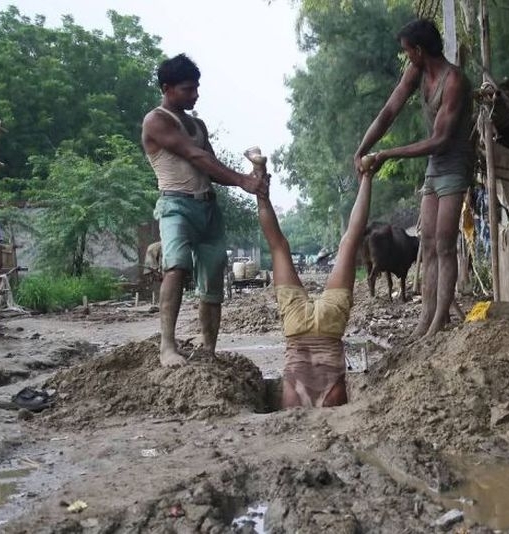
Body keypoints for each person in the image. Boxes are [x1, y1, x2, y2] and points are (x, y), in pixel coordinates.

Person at [141, 54, 268, 367]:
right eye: (187, 89)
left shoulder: (197, 124)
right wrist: (243, 181)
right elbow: (194, 156)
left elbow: (210, 168)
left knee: (212, 274)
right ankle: (167, 347)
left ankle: (208, 346)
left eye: (196, 88)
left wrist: (249, 179)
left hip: (207, 206)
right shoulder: (156, 121)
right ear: (167, 88)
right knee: (176, 266)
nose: (195, 94)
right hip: (175, 205)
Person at [354, 19, 474, 339]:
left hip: (454, 163)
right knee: (430, 244)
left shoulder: (454, 81)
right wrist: (363, 149)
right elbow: (389, 111)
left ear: (419, 51)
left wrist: (387, 154)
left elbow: (440, 140)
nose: (407, 57)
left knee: (445, 245)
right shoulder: (417, 72)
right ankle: (426, 319)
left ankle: (438, 322)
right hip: (435, 167)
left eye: (407, 52)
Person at [257, 170, 373, 408]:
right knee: (345, 242)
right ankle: (367, 177)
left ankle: (367, 178)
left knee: (345, 243)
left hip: (322, 328)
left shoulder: (292, 402)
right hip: (307, 329)